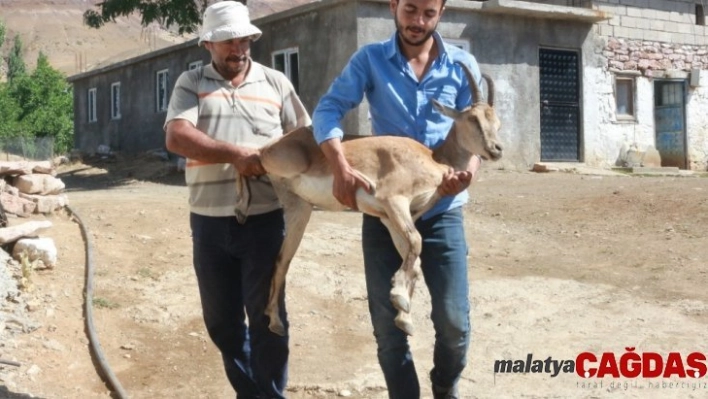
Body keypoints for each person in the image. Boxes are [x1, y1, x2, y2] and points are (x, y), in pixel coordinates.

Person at [312, 0, 482, 398]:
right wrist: (337, 161)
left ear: (440, 12)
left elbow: (477, 132)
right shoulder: (370, 60)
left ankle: (444, 386)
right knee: (388, 329)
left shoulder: (462, 65)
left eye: (427, 12)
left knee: (455, 323)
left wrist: (468, 175)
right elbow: (329, 108)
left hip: (443, 210)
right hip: (385, 209)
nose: (417, 22)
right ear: (394, 6)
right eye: (409, 10)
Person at [163, 2, 311, 398]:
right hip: (209, 224)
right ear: (208, 44)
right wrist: (236, 155)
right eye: (228, 41)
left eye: (244, 39)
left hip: (265, 220)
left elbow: (305, 140)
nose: (238, 48)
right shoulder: (191, 82)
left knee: (269, 319)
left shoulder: (276, 83)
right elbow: (177, 136)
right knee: (223, 325)